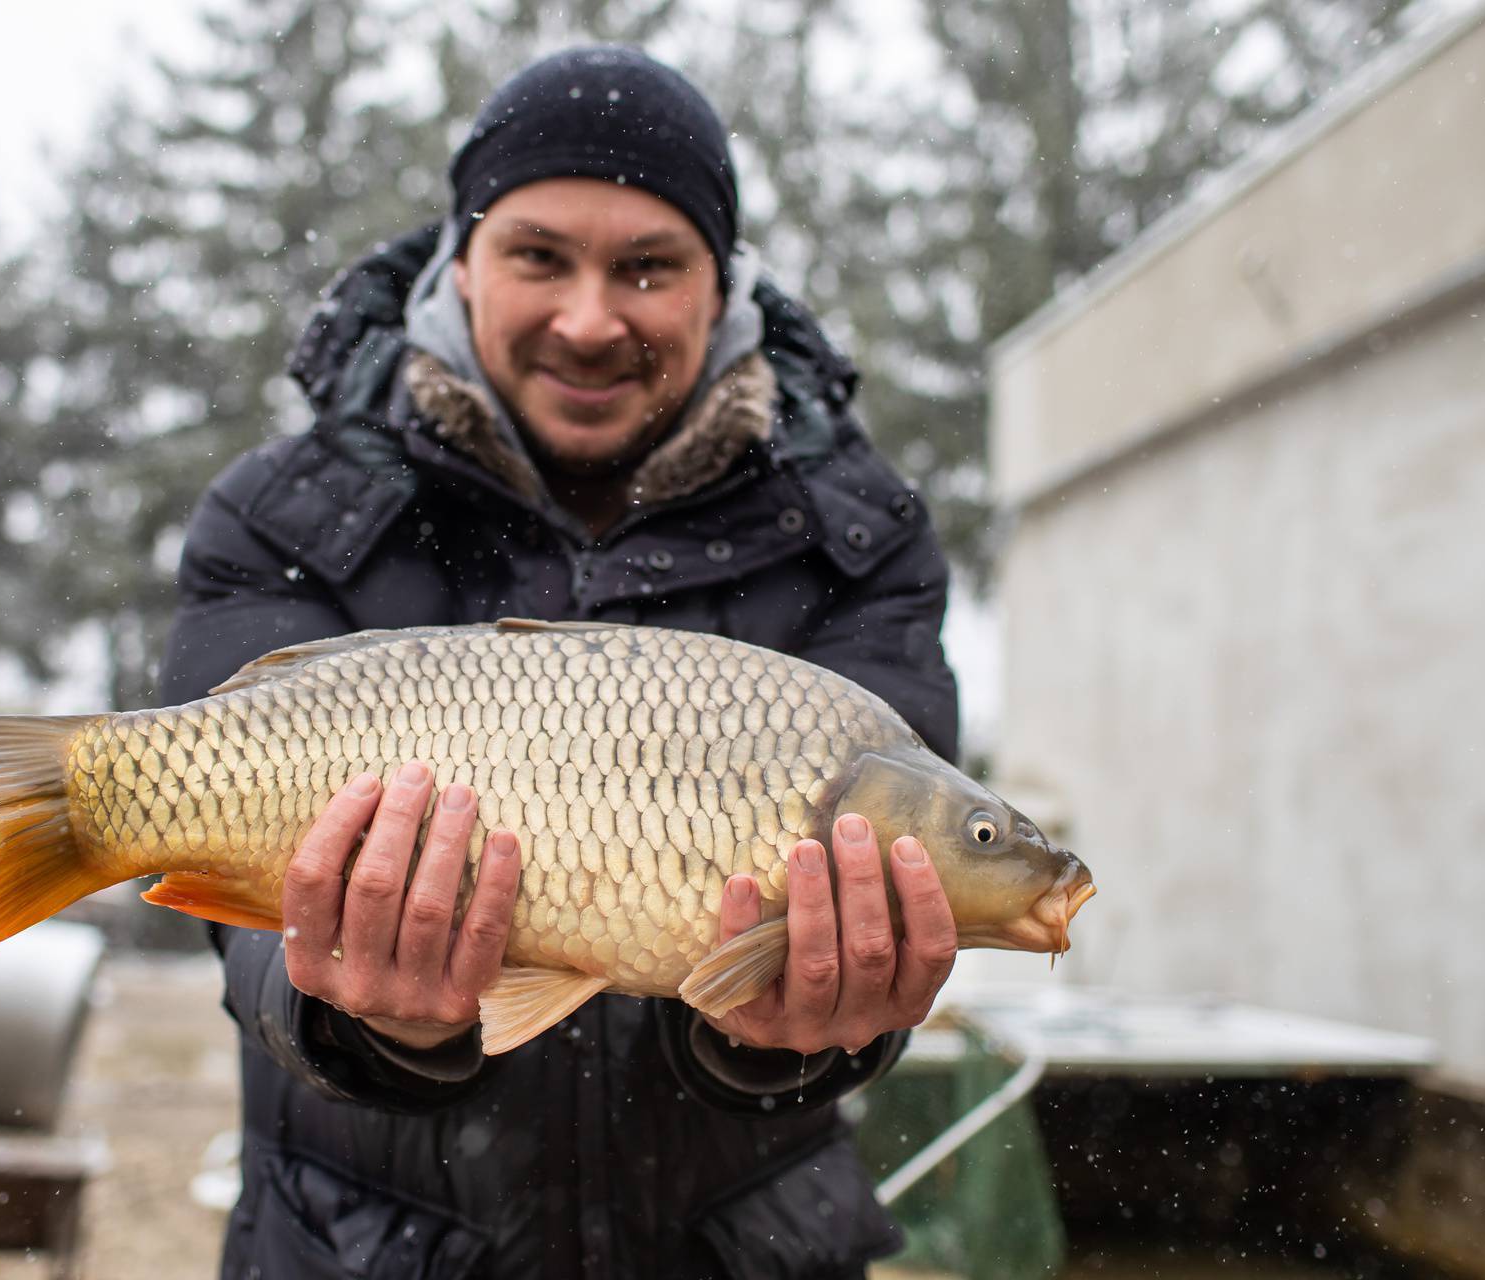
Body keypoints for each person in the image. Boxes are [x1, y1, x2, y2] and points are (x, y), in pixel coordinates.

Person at [158, 45, 963, 1280]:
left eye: (648, 266)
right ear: (461, 260)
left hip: (739, 1248)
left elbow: (892, 885)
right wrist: (357, 1009)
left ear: (722, 280)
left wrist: (790, 1031)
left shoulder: (858, 535)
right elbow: (247, 933)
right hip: (363, 1248)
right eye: (541, 257)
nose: (591, 321)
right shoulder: (279, 515)